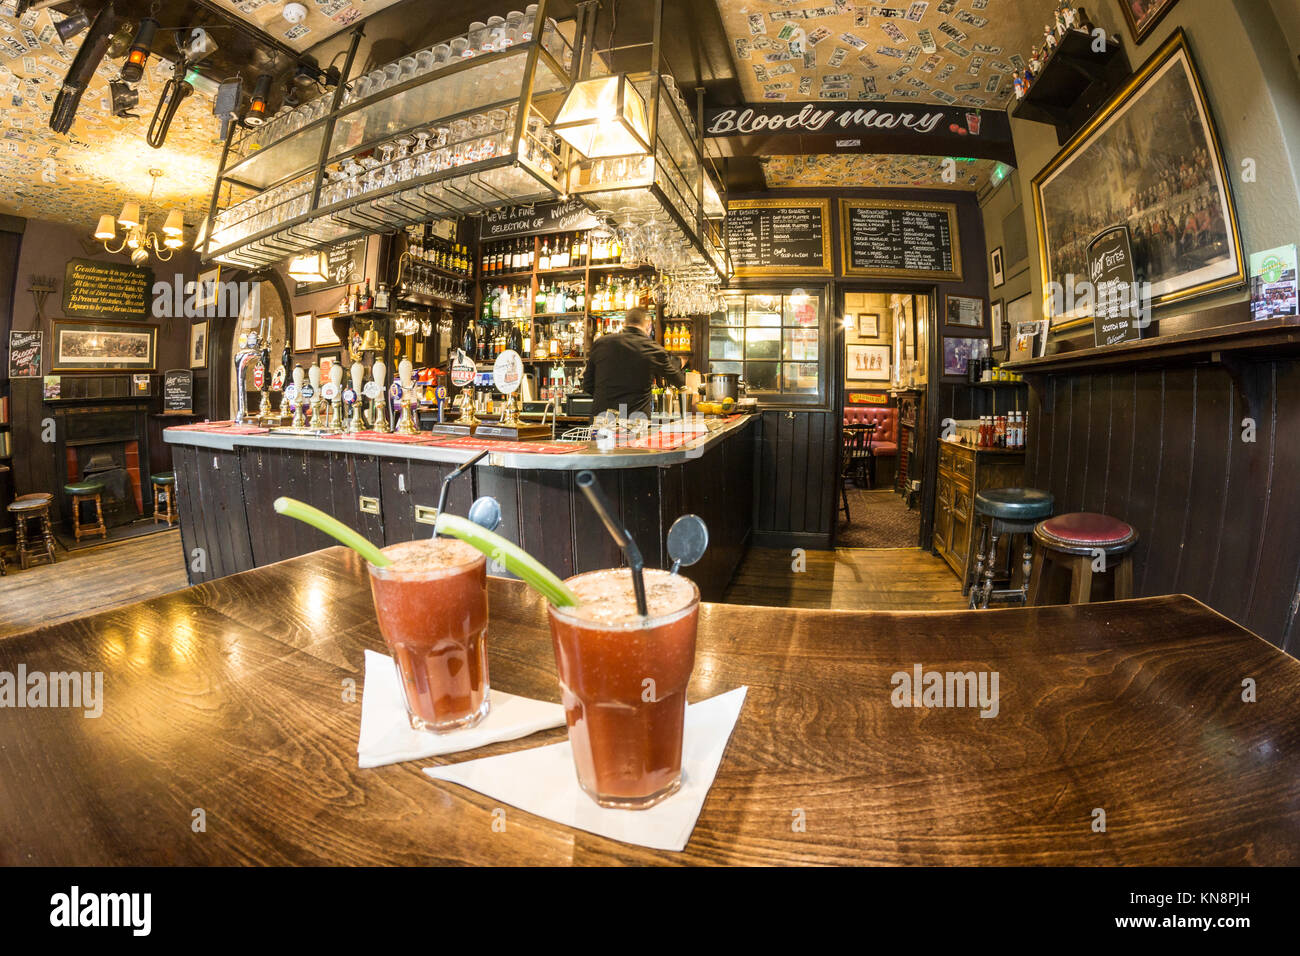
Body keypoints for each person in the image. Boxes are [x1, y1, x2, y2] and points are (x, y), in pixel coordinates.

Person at [580, 307, 685, 418]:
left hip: (602, 420)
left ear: (624, 323)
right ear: (648, 325)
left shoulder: (601, 343)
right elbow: (680, 382)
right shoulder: (653, 349)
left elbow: (587, 385)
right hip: (635, 422)